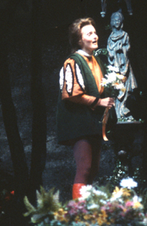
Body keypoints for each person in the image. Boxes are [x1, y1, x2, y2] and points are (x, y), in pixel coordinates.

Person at [56, 17, 115, 200]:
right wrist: (99, 102)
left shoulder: (96, 61)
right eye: (89, 34)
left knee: (93, 168)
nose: (95, 36)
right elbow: (71, 93)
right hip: (78, 122)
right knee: (85, 167)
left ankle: (87, 210)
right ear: (79, 40)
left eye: (95, 32)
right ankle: (79, 214)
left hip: (92, 123)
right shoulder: (72, 62)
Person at [107, 10, 138, 120]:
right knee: (117, 88)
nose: (116, 21)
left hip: (125, 65)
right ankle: (118, 112)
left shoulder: (125, 35)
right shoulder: (110, 37)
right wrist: (115, 50)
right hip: (116, 66)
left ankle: (124, 108)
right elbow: (109, 50)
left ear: (121, 22)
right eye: (114, 20)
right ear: (111, 22)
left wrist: (122, 49)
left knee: (126, 88)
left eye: (118, 20)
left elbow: (127, 48)